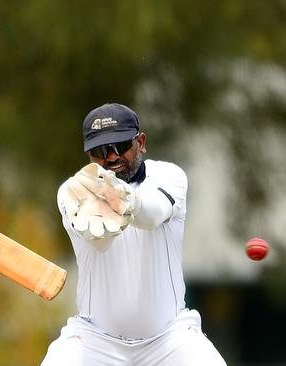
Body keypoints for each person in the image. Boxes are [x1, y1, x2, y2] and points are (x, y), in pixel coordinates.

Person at [41, 103, 226, 365]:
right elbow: (101, 243)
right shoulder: (72, 192)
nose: (112, 157)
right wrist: (104, 200)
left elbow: (152, 215)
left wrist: (126, 202)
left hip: (168, 338)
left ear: (141, 141)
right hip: (95, 339)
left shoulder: (169, 176)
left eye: (121, 146)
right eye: (100, 151)